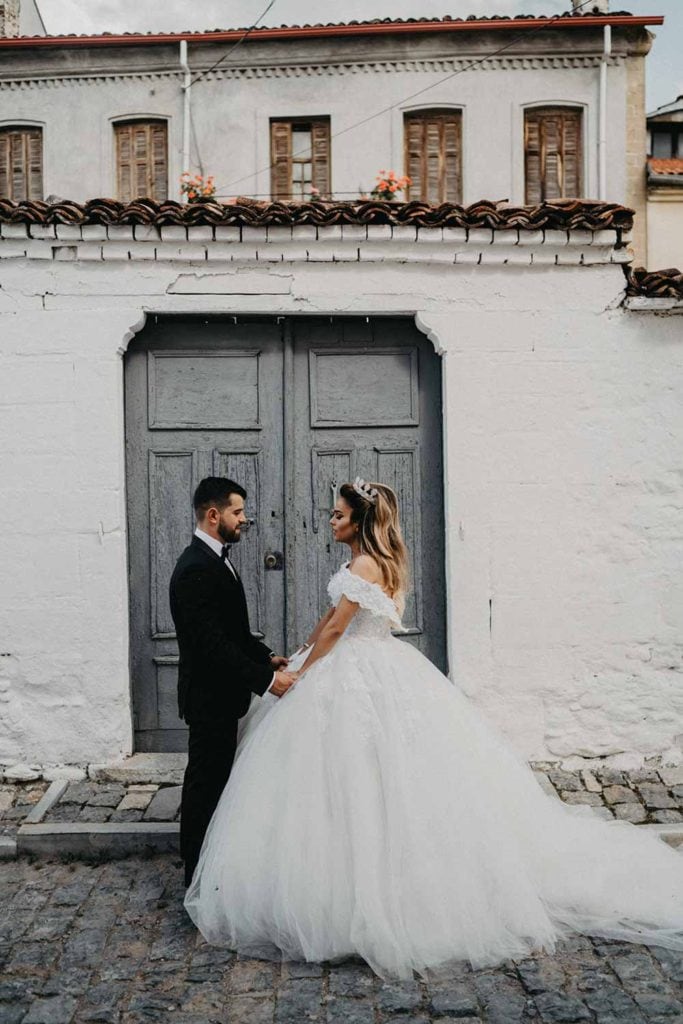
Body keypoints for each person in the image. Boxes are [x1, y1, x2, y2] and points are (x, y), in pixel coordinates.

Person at [184, 478, 683, 979]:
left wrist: (302, 673)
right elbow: (327, 621)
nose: (331, 520)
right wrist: (296, 655)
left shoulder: (364, 565)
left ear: (360, 521)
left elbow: (338, 630)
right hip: (363, 666)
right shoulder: (362, 564)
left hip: (358, 672)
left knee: (361, 771)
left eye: (338, 514)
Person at [169, 477, 297, 887]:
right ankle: (195, 878)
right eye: (237, 512)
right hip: (208, 698)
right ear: (213, 515)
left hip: (223, 696)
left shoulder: (216, 559)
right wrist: (266, 681)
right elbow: (211, 647)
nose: (244, 519)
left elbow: (232, 634)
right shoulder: (194, 569)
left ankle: (209, 869)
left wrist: (265, 657)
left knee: (217, 781)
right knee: (204, 786)